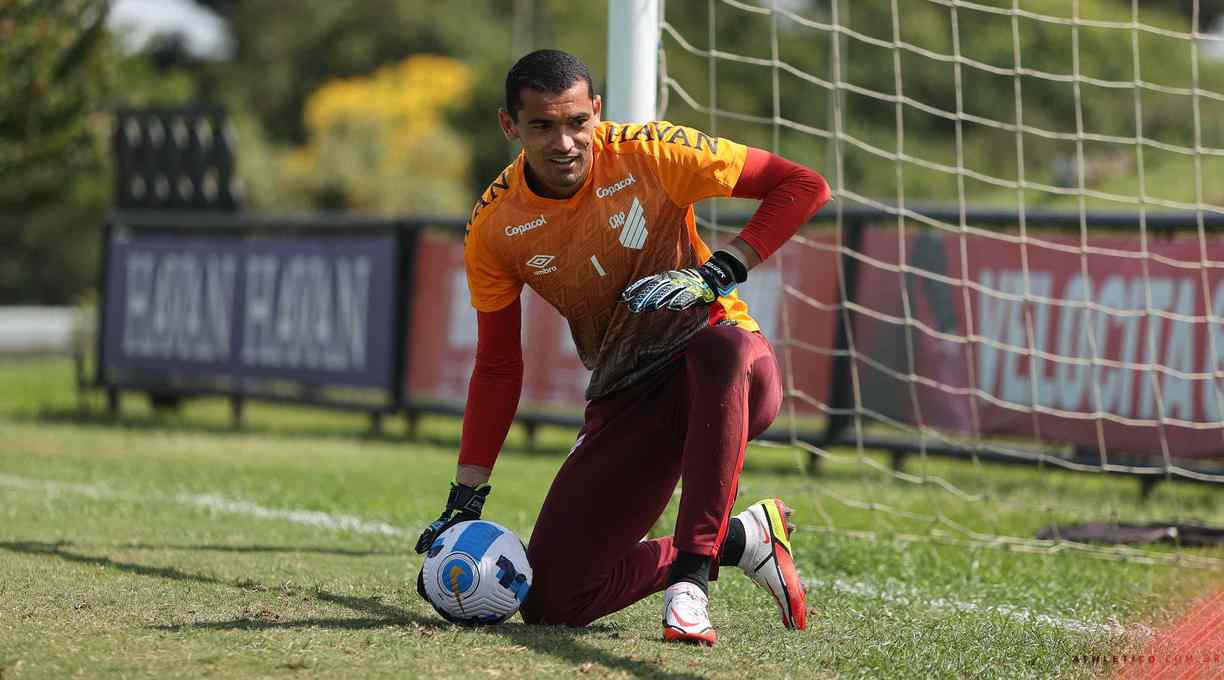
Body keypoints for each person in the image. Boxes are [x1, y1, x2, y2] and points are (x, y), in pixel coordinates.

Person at [415, 49, 830, 645]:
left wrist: (720, 271)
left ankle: (691, 584)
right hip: (628, 395)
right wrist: (466, 493)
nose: (564, 143)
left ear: (597, 113)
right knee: (555, 599)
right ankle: (742, 539)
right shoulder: (495, 226)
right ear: (510, 126)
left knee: (721, 349)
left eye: (577, 122)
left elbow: (803, 185)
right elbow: (499, 364)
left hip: (727, 371)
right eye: (542, 126)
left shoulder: (653, 151)